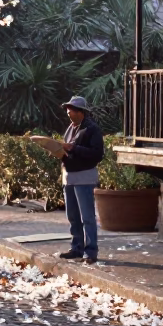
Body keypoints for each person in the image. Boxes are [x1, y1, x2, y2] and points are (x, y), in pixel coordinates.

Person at [57, 96, 104, 264]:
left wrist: (73, 148)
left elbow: (97, 154)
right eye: (68, 109)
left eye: (72, 109)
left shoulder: (92, 129)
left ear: (81, 112)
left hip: (84, 176)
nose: (69, 112)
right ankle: (76, 247)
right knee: (73, 216)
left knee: (87, 217)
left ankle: (91, 251)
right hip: (69, 177)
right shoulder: (70, 128)